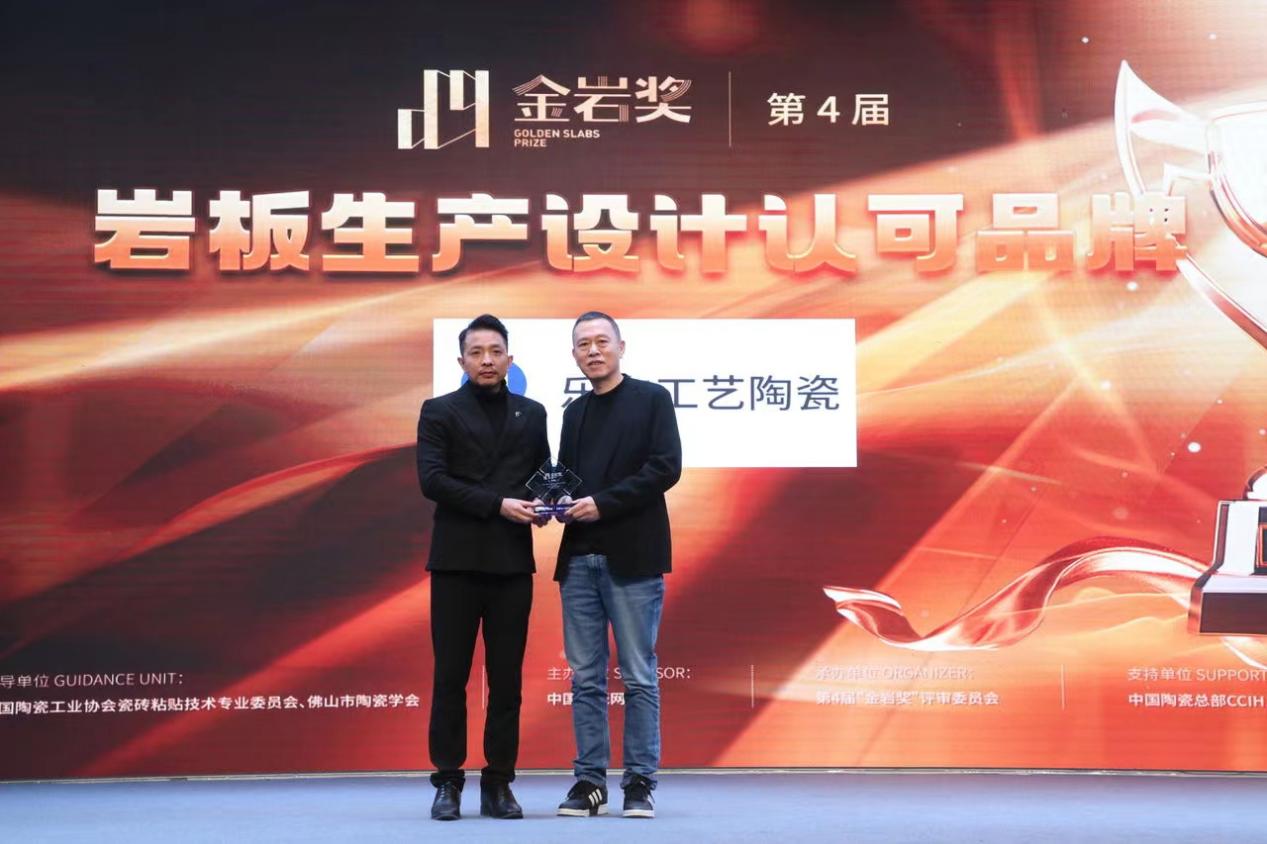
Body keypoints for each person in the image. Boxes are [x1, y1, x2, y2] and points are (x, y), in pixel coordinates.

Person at [416, 314, 549, 821]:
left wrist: (547, 503)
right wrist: (498, 504)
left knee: (507, 680)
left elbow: (541, 476)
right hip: (455, 562)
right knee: (450, 677)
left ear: (510, 359)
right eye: (477, 352)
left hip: (512, 564)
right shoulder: (439, 411)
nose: (487, 360)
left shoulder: (532, 414)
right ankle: (448, 781)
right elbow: (433, 481)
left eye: (495, 351)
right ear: (462, 361)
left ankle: (499, 783)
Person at [553, 311, 682, 820]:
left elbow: (665, 468)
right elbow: (567, 477)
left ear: (621, 347)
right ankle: (589, 782)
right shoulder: (574, 413)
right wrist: (554, 502)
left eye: (602, 341)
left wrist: (603, 504)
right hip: (578, 558)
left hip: (634, 555)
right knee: (585, 677)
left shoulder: (652, 399)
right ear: (574, 355)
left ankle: (639, 782)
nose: (593, 351)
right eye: (583, 344)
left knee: (638, 675)